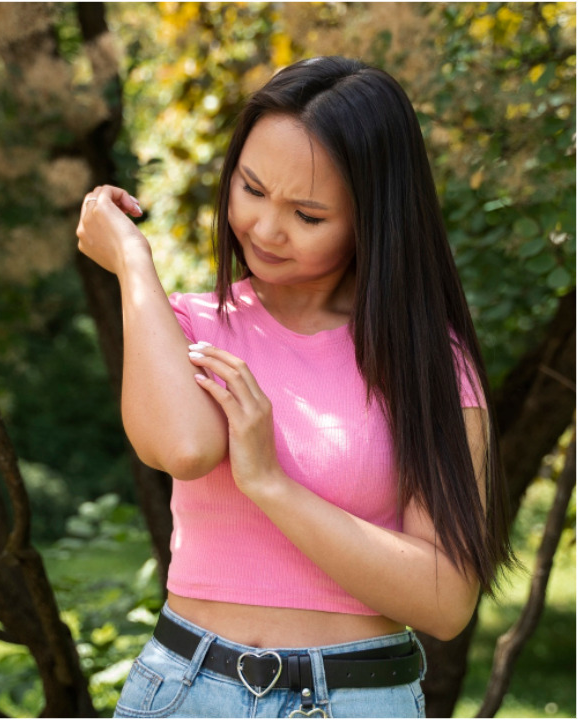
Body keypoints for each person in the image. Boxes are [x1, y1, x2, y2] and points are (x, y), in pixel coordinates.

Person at [75, 56, 512, 718]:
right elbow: (184, 448)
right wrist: (135, 262)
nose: (265, 229)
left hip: (359, 697)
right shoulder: (188, 325)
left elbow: (446, 600)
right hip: (188, 691)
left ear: (374, 220)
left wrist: (270, 484)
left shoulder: (428, 362)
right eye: (251, 189)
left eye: (308, 215)